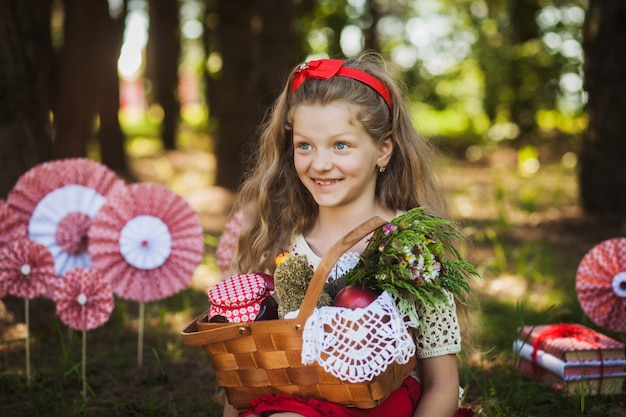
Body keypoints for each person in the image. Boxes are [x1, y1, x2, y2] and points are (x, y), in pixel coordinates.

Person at [220, 53, 472, 417]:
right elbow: (250, 374)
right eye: (305, 145)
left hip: (383, 403)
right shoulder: (284, 243)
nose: (320, 163)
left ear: (383, 150)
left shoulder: (411, 249)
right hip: (296, 399)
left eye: (341, 145)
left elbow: (442, 383)